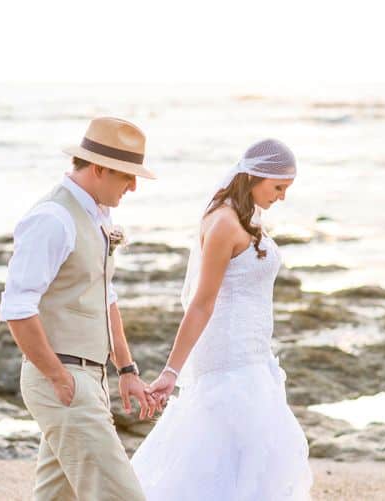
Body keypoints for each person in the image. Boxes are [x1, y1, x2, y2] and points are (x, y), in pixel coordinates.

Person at [131, 139, 313, 500]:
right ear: (254, 177)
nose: (282, 197)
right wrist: (171, 372)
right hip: (230, 360)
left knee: (253, 462)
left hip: (254, 355)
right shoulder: (224, 224)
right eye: (278, 187)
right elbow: (201, 303)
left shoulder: (246, 216)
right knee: (225, 461)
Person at [0, 116, 156, 500]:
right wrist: (56, 377)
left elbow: (105, 297)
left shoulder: (97, 215)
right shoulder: (53, 218)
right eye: (127, 176)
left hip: (90, 377)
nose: (134, 186)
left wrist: (127, 369)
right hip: (65, 380)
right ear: (99, 169)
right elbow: (17, 307)